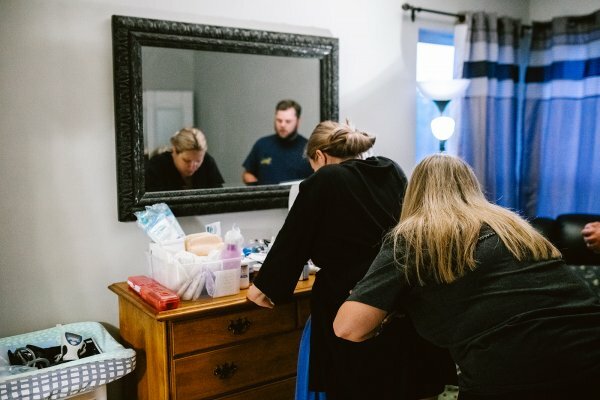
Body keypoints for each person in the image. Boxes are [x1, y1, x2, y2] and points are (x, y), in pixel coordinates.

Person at [334, 154, 600, 400]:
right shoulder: (514, 226)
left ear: (412, 193)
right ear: (472, 186)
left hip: (511, 372)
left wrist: (381, 318)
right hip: (590, 355)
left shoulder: (414, 236)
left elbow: (347, 328)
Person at [247, 121, 453, 400]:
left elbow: (292, 241)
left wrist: (265, 288)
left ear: (320, 156)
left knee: (355, 384)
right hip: (397, 295)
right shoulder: (390, 169)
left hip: (350, 302)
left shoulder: (326, 179)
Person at [242, 99, 313, 185]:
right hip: (265, 197)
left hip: (297, 197)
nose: (282, 125)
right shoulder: (262, 144)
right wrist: (256, 190)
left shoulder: (309, 148)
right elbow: (248, 174)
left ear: (298, 122)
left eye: (288, 121)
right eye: (279, 120)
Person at [145, 127, 224, 191]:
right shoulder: (156, 166)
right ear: (174, 151)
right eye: (187, 161)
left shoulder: (208, 161)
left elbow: (218, 196)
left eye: (198, 161)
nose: (192, 166)